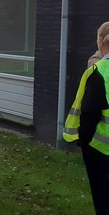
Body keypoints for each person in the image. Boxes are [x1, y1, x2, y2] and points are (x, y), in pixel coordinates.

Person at [63, 21, 109, 214]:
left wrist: (83, 140)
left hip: (101, 149)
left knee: (103, 199)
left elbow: (89, 112)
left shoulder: (97, 72)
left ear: (100, 40)